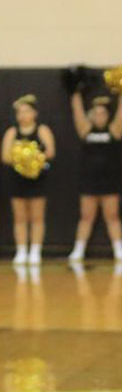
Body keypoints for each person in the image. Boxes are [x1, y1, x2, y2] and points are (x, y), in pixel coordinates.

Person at [68, 92, 122, 262]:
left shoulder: (114, 130)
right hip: (89, 181)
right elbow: (77, 112)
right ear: (91, 115)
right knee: (86, 216)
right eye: (96, 113)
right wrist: (76, 93)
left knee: (112, 216)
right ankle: (78, 250)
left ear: (108, 115)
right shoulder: (86, 130)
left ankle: (119, 251)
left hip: (110, 180)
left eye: (103, 113)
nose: (99, 116)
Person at [1, 95, 55, 265]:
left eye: (27, 111)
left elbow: (51, 152)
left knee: (37, 216)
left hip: (37, 178)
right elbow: (5, 156)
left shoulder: (42, 130)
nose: (23, 115)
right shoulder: (12, 132)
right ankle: (21, 250)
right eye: (20, 112)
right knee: (20, 217)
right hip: (17, 179)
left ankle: (35, 251)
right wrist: (21, 160)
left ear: (34, 113)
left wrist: (33, 158)